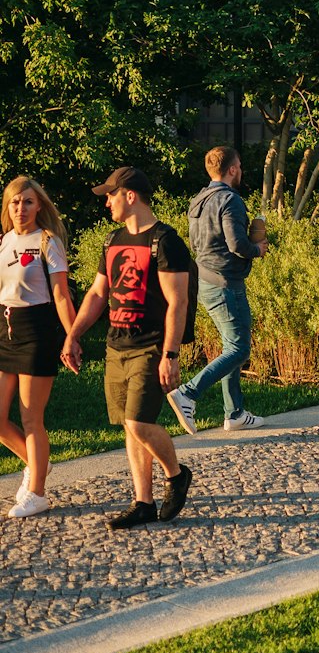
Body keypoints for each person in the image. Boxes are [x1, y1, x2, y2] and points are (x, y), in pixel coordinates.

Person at [61, 167, 193, 529]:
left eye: (111, 195)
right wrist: (73, 335)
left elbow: (177, 302)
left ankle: (177, 475)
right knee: (130, 426)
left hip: (150, 345)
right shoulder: (113, 239)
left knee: (138, 421)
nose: (107, 202)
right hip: (115, 344)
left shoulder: (165, 242)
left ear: (130, 195)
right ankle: (143, 503)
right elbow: (97, 294)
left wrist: (171, 354)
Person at [165, 147, 267, 435]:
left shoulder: (198, 199)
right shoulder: (230, 200)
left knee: (230, 346)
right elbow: (237, 245)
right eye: (240, 167)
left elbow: (198, 243)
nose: (241, 172)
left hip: (205, 280)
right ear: (232, 169)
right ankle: (188, 393)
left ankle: (234, 413)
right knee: (239, 348)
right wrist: (257, 249)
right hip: (226, 283)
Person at [0, 178, 77, 519]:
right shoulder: (4, 242)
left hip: (37, 332)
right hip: (5, 331)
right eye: (15, 202)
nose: (21, 209)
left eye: (28, 202)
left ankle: (37, 493)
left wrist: (72, 336)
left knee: (31, 418)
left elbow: (61, 295)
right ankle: (36, 465)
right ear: (8, 206)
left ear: (40, 206)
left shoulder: (48, 241)